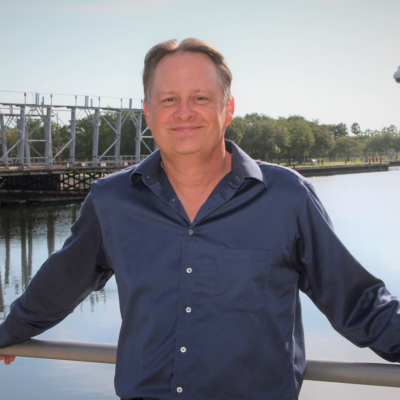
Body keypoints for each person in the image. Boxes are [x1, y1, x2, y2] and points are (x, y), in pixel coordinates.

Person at [1, 38, 400, 400]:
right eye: (169, 99)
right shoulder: (111, 201)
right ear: (148, 112)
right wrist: (8, 333)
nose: (185, 113)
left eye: (201, 98)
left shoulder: (287, 196)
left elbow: (358, 302)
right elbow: (57, 287)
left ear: (228, 108)